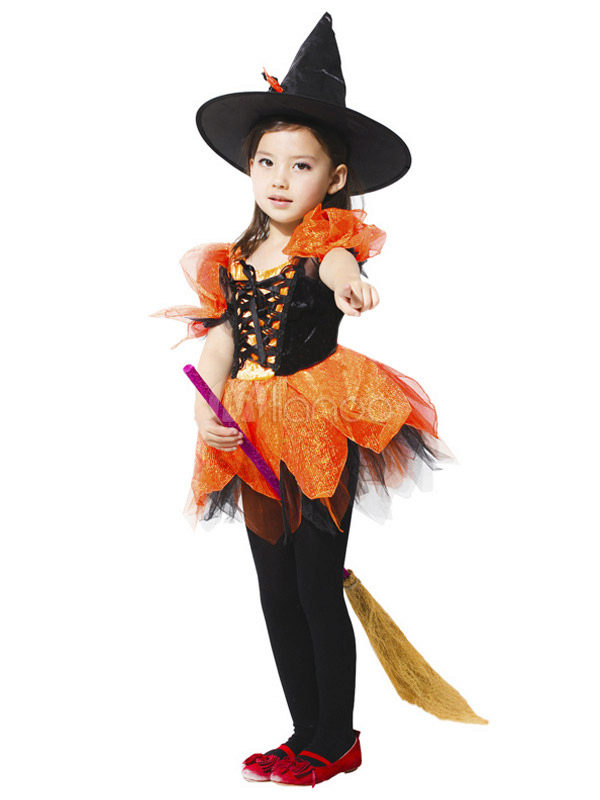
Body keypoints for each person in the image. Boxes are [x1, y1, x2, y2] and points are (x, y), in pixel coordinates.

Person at [150, 12, 456, 788]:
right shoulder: (234, 257)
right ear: (248, 168)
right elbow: (221, 339)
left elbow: (339, 266)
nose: (280, 179)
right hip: (250, 428)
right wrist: (205, 405)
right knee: (274, 587)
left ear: (335, 179)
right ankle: (301, 732)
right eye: (266, 162)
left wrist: (352, 285)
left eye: (300, 165)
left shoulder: (328, 244)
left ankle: (336, 738)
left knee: (318, 582)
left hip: (319, 419)